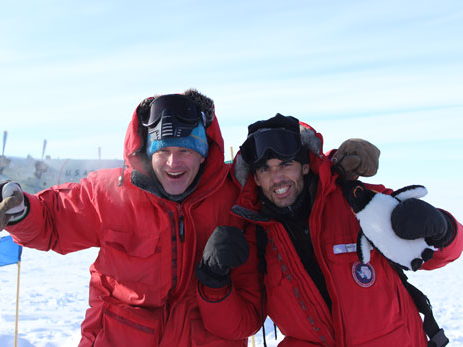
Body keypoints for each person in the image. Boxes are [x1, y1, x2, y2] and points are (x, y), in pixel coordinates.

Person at [0, 92, 378, 346]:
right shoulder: (110, 191)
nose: (174, 162)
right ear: (147, 150)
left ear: (205, 150)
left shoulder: (238, 198)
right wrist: (18, 211)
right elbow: (52, 219)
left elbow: (285, 175)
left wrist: (334, 164)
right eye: (164, 149)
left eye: (187, 148)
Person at [196, 113, 463, 346]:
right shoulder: (256, 236)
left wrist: (443, 230)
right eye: (265, 169)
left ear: (304, 166)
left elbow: (439, 253)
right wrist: (214, 282)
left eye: (285, 164)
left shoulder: (356, 202)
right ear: (254, 177)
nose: (276, 177)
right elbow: (241, 324)